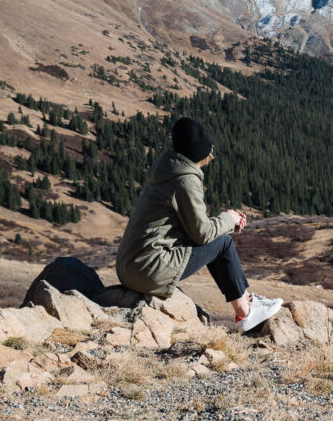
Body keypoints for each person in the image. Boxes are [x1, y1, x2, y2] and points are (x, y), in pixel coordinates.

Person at [115, 117, 282, 332]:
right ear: (201, 152)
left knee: (218, 241)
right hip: (148, 270)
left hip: (130, 266)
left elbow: (187, 230)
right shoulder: (185, 180)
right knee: (223, 244)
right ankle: (246, 312)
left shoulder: (167, 170)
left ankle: (246, 298)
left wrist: (223, 222)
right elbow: (202, 235)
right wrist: (229, 219)